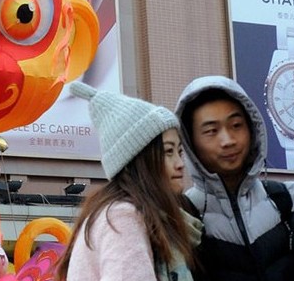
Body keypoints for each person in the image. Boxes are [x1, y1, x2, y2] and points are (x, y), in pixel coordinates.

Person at [175, 75, 294, 281]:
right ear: (190, 142)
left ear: (252, 128)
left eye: (236, 125)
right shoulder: (181, 216)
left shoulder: (290, 199)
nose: (227, 140)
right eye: (211, 131)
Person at [57, 82, 199, 281]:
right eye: (168, 151)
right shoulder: (122, 217)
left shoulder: (135, 215)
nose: (180, 163)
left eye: (179, 151)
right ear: (140, 160)